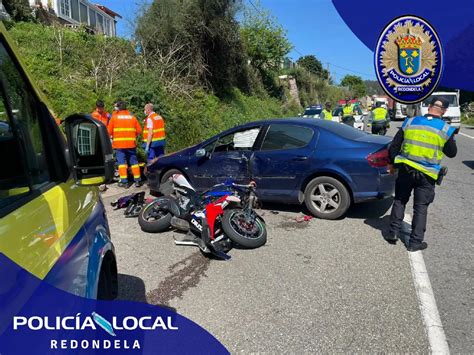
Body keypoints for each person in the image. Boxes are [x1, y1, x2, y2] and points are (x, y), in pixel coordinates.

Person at [385, 97, 457, 251]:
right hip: (427, 174)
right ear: (444, 111)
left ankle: (393, 233)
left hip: (405, 169)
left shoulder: (410, 122)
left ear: (429, 107)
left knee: (399, 200)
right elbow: (452, 153)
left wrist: (391, 163)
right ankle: (415, 243)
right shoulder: (445, 129)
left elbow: (394, 146)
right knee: (420, 207)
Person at [107, 101, 143, 188]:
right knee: (134, 163)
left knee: (122, 164)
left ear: (118, 108)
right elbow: (139, 131)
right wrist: (132, 136)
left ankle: (124, 182)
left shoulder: (114, 118)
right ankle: (137, 181)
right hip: (131, 144)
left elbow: (109, 132)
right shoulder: (132, 117)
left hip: (119, 145)